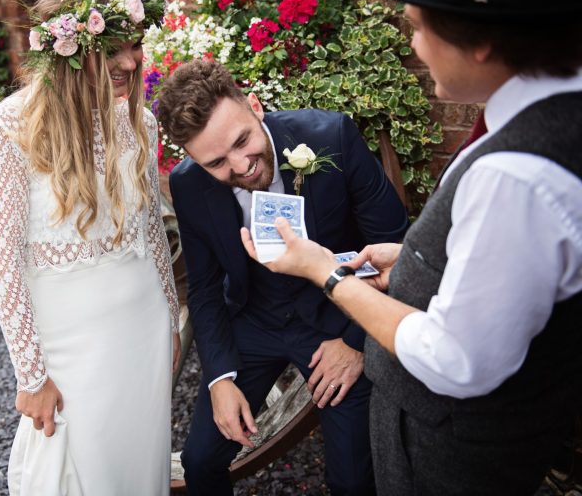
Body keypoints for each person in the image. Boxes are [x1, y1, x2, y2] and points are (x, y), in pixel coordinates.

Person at [240, 0, 582, 495]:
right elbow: (515, 268)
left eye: (419, 27)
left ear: (481, 40)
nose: (414, 46)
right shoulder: (552, 116)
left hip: (451, 452)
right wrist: (412, 263)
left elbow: (456, 359)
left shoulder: (514, 176)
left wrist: (325, 273)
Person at [157, 59, 409, 495]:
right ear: (193, 159)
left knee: (352, 481)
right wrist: (219, 379)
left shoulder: (332, 137)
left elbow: (396, 245)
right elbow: (204, 289)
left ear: (254, 106)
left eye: (243, 141)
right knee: (200, 462)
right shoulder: (188, 184)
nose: (242, 166)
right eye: (217, 162)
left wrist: (355, 343)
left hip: (339, 320)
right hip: (256, 322)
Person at [0, 0, 180, 494]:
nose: (131, 63)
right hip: (69, 343)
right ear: (67, 48)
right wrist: (31, 376)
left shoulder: (140, 123)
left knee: (140, 470)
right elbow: (2, 262)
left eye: (136, 46)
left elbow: (152, 230)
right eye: (114, 49)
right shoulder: (10, 126)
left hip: (145, 329)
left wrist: (172, 321)